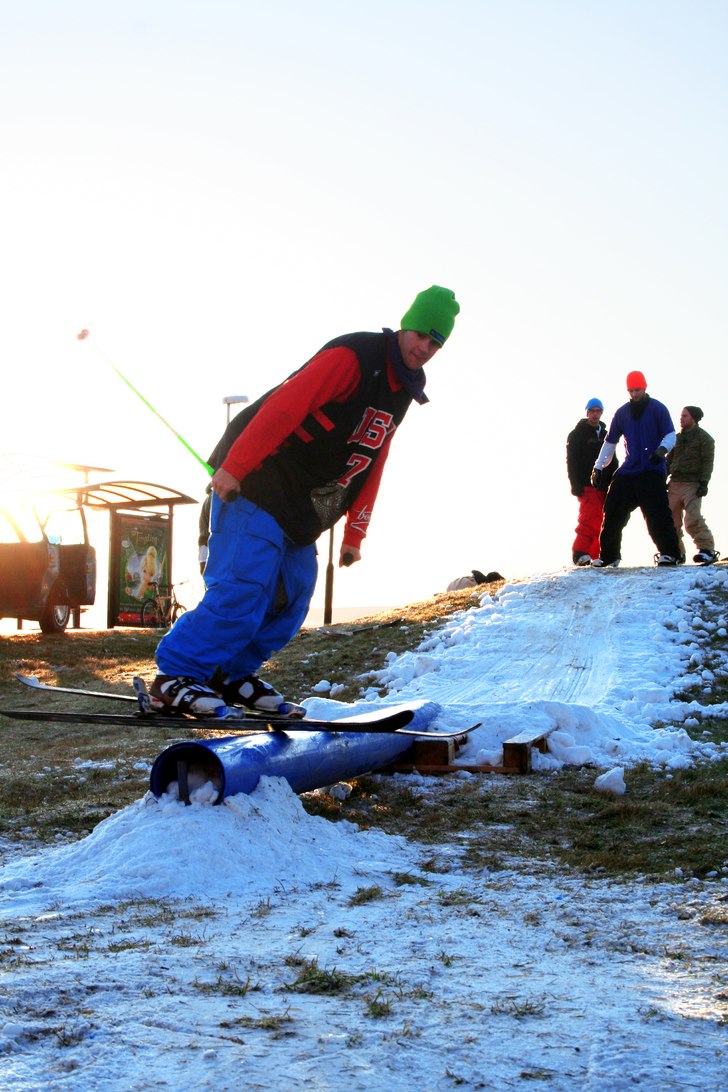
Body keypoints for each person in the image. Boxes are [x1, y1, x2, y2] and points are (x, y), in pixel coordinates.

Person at [151, 285, 461, 716]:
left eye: (436, 343)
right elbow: (285, 406)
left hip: (301, 505)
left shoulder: (404, 387)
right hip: (257, 481)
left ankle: (231, 675)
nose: (425, 348)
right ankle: (175, 675)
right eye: (421, 336)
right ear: (406, 324)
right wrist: (236, 466)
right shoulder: (355, 357)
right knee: (244, 586)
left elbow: (374, 455)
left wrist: (355, 532)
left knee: (294, 594)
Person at [590, 370, 682, 567]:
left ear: (645, 388)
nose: (635, 394)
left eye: (638, 390)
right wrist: (598, 467)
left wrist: (661, 450)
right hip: (629, 471)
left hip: (652, 470)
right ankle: (609, 556)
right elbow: (610, 442)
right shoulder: (622, 413)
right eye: (631, 390)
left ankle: (670, 553)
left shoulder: (658, 409)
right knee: (613, 509)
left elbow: (671, 435)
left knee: (657, 513)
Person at [566, 397, 617, 565]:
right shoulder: (577, 434)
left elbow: (612, 459)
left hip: (604, 485)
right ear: (587, 412)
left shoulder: (606, 434)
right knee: (589, 517)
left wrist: (614, 480)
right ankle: (579, 552)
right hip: (586, 484)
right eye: (592, 411)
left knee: (600, 520)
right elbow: (572, 460)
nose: (595, 415)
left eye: (598, 411)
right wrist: (575, 484)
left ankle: (594, 555)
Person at [666, 406, 719, 564]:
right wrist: (661, 477)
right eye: (681, 416)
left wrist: (704, 482)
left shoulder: (705, 439)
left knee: (692, 519)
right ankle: (676, 552)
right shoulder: (676, 439)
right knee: (670, 521)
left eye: (685, 416)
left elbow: (707, 462)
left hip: (693, 484)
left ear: (693, 418)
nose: (681, 419)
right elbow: (668, 461)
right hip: (674, 483)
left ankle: (707, 549)